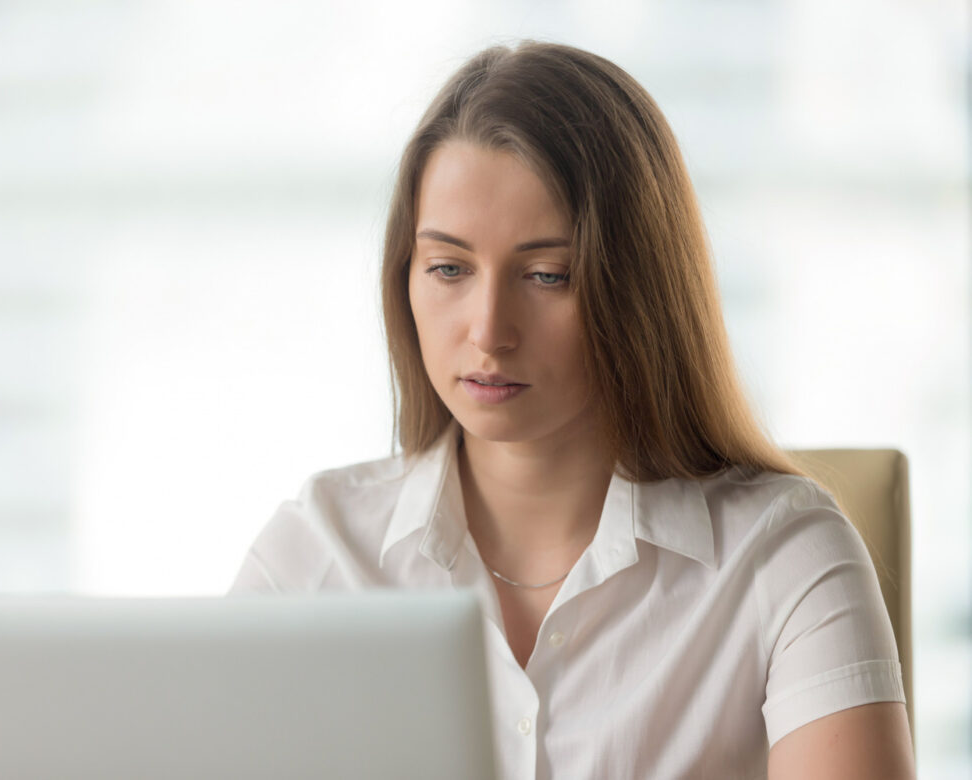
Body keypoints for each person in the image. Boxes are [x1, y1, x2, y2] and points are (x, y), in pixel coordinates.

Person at [230, 41, 914, 778]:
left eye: (548, 275)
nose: (489, 330)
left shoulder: (783, 559)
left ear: (638, 288)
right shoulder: (317, 554)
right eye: (449, 268)